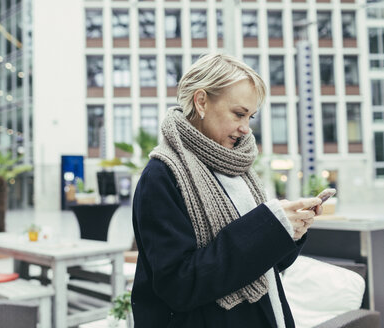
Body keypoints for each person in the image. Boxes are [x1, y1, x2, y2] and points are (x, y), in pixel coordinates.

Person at [131, 53, 323, 328]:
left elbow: (262, 267)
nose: (246, 128)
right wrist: (267, 229)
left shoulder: (238, 167)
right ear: (201, 102)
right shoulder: (162, 176)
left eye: (251, 116)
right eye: (239, 114)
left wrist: (289, 232)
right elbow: (179, 285)